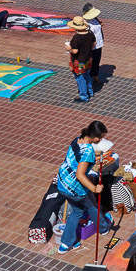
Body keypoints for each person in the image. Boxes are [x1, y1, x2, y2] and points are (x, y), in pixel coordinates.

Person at [54, 121, 111, 253]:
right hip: (75, 188)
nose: (101, 139)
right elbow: (80, 175)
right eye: (99, 137)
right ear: (93, 135)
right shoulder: (88, 151)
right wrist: (94, 188)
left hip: (63, 182)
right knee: (92, 206)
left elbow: (77, 161)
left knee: (77, 211)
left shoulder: (77, 140)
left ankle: (65, 244)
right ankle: (103, 228)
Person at [66, 17, 97, 103]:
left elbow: (75, 51)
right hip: (89, 59)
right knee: (87, 75)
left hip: (79, 62)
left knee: (80, 79)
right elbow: (94, 44)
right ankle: (90, 91)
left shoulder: (76, 38)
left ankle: (84, 96)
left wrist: (69, 48)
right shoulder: (90, 34)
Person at [82, 4, 105, 85]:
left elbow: (99, 25)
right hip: (91, 46)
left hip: (99, 44)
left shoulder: (95, 18)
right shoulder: (85, 23)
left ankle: (96, 78)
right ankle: (87, 81)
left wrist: (100, 24)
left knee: (96, 61)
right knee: (89, 63)